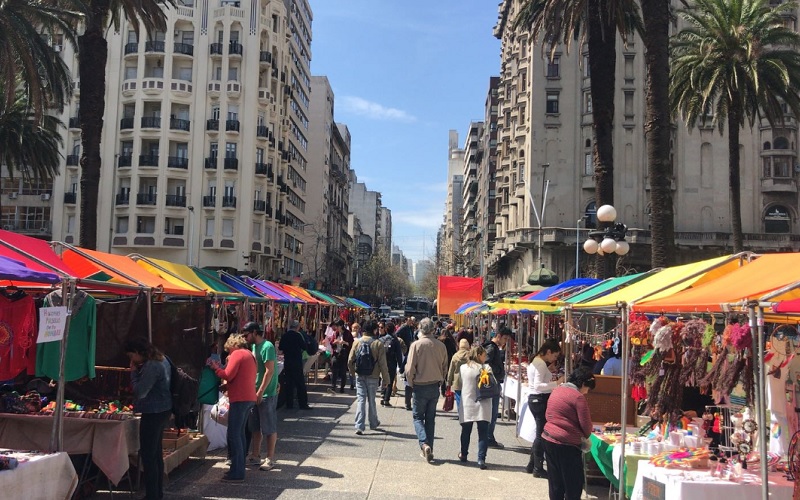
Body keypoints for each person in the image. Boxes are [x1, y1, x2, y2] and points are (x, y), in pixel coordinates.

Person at [125, 338, 172, 500]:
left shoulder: (152, 365)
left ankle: (152, 494)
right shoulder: (162, 359)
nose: (131, 360)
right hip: (163, 409)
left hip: (153, 411)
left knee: (149, 456)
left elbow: (140, 392)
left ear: (138, 352)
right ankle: (156, 493)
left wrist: (133, 372)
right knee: (155, 454)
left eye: (132, 356)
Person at [210, 334, 257, 482]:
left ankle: (237, 472)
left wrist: (216, 368)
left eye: (228, 349)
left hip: (240, 398)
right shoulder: (249, 354)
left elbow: (228, 374)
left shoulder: (237, 354)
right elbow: (240, 376)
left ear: (233, 345)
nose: (228, 353)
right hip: (249, 397)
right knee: (240, 434)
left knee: (234, 434)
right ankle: (239, 468)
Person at [543, 366, 595, 500]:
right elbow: (586, 426)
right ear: (583, 384)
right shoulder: (578, 397)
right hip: (567, 445)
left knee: (555, 483)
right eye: (588, 389)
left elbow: (548, 413)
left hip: (549, 437)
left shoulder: (557, 390)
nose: (587, 392)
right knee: (573, 485)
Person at [405, 317, 448, 463]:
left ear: (420, 329)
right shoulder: (440, 346)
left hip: (420, 386)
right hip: (434, 385)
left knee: (417, 417)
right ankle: (430, 447)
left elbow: (410, 368)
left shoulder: (416, 345)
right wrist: (441, 380)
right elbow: (445, 367)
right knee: (430, 419)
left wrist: (410, 383)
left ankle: (424, 443)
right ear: (433, 329)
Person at [243, 322, 279, 471]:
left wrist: (261, 391)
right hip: (255, 392)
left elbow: (269, 371)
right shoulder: (253, 347)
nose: (245, 338)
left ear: (254, 332)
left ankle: (270, 458)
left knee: (269, 427)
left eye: (246, 335)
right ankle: (255, 455)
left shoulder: (267, 346)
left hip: (266, 393)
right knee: (255, 426)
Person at [525, 339, 563, 477]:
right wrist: (557, 383)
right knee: (541, 435)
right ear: (548, 352)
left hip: (536, 399)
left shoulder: (537, 361)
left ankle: (532, 464)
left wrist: (549, 372)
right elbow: (538, 385)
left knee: (539, 434)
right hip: (539, 399)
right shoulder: (540, 364)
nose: (554, 359)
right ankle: (537, 467)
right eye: (554, 356)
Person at [348, 320, 390, 434]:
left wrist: (353, 373)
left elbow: (350, 360)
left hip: (360, 374)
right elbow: (383, 364)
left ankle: (359, 426)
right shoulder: (378, 344)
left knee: (361, 399)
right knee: (372, 400)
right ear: (375, 330)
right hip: (373, 375)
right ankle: (373, 422)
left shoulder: (357, 342)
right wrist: (386, 379)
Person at [458, 345, 493, 469]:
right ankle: (481, 459)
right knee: (483, 433)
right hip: (483, 403)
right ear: (479, 355)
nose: (486, 357)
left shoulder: (463, 368)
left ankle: (464, 454)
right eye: (484, 355)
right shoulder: (486, 368)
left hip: (468, 403)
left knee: (466, 431)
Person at [483, 326, 513, 448]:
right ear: (499, 336)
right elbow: (486, 363)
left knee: (492, 412)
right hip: (492, 383)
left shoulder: (492, 347)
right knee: (493, 412)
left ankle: (489, 437)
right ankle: (489, 438)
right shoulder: (491, 347)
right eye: (505, 338)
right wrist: (498, 370)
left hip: (492, 382)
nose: (505, 341)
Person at [278, 320, 312, 409]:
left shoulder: (285, 335)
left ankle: (289, 404)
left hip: (287, 361)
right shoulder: (297, 335)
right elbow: (304, 347)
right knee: (300, 383)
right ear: (297, 327)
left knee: (288, 383)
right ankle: (303, 404)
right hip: (296, 361)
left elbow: (280, 348)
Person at [380, 322, 403, 407]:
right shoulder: (395, 340)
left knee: (384, 379)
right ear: (394, 330)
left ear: (386, 329)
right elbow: (399, 354)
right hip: (392, 362)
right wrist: (401, 366)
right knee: (390, 380)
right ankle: (386, 399)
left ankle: (383, 394)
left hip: (382, 362)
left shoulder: (382, 339)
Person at [396, 317, 417, 410]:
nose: (411, 322)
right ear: (406, 321)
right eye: (410, 320)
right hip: (407, 348)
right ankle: (408, 404)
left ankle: (409, 403)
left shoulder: (410, 328)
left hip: (409, 348)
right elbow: (397, 334)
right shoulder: (404, 327)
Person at [446, 338, 471, 414]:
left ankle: (460, 414)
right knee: (467, 398)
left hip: (457, 381)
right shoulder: (470, 356)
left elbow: (451, 370)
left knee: (459, 398)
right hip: (468, 380)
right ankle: (467, 413)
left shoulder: (455, 356)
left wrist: (449, 382)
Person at [329, 319, 353, 393]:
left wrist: (344, 342)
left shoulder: (348, 333)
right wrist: (334, 342)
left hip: (344, 354)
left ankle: (342, 387)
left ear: (341, 326)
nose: (336, 327)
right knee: (334, 370)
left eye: (337, 326)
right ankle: (333, 387)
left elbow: (351, 344)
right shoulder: (335, 333)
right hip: (336, 353)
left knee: (343, 372)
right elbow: (331, 342)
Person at [438, 324, 458, 396]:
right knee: (447, 375)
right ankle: (447, 389)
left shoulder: (439, 340)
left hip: (440, 358)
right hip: (448, 358)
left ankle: (442, 390)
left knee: (441, 374)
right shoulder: (449, 340)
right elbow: (453, 350)